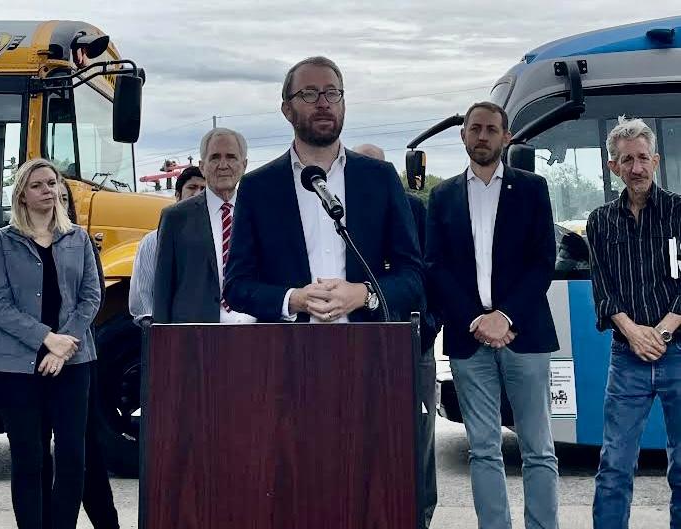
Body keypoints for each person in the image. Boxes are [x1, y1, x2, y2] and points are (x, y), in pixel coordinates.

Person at [425, 101, 559, 529]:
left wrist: (506, 316)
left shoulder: (533, 189)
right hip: (469, 339)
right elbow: (435, 266)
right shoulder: (443, 196)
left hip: (526, 334)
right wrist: (476, 320)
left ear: (506, 138)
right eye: (474, 128)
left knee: (538, 448)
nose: (481, 136)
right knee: (483, 449)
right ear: (464, 135)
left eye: (490, 129)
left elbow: (543, 262)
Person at [223, 56, 422, 324]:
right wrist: (294, 299)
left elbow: (412, 276)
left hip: (369, 348)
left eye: (332, 93)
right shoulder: (258, 187)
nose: (323, 103)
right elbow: (237, 287)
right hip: (284, 351)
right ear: (287, 110)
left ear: (343, 104)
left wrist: (364, 294)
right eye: (309, 94)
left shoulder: (380, 178)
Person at [0, 158, 101, 529]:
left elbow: (91, 296)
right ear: (22, 195)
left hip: (74, 363)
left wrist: (65, 346)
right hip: (14, 368)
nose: (49, 190)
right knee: (29, 458)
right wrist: (47, 339)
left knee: (70, 457)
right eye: (38, 185)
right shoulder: (1, 241)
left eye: (52, 183)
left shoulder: (78, 238)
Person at [588, 117, 681, 529]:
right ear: (613, 167)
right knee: (614, 468)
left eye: (643, 158)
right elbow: (603, 289)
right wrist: (631, 331)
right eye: (627, 160)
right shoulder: (600, 222)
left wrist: (660, 333)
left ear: (655, 160)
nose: (636, 167)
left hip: (677, 351)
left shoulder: (679, 211)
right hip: (627, 358)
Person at [351, 142, 437, 522]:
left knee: (419, 439)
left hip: (411, 344)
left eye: (378, 169)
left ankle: (421, 516)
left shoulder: (414, 208)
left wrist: (428, 328)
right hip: (353, 346)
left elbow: (428, 273)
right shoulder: (338, 210)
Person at [58, 180, 119, 529]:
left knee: (87, 447)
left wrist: (67, 339)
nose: (57, 201)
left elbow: (92, 299)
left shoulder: (82, 243)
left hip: (80, 357)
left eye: (65, 198)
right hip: (38, 358)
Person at [154, 129, 254, 324]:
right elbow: (163, 290)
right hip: (195, 339)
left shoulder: (262, 213)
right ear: (202, 166)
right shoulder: (175, 218)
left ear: (244, 165)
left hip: (254, 334)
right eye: (215, 157)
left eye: (231, 157)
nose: (223, 165)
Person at [129, 166, 205, 325]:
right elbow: (142, 292)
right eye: (192, 187)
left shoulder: (221, 240)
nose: (198, 193)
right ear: (177, 195)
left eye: (203, 189)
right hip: (168, 331)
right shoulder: (153, 240)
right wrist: (154, 327)